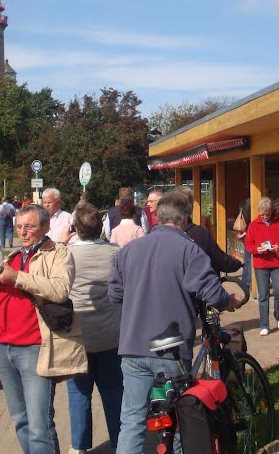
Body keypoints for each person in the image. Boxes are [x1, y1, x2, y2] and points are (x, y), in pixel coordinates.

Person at [108, 191, 245, 454]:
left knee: (131, 421)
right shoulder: (188, 249)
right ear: (184, 220)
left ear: (157, 217)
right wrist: (232, 300)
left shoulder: (130, 250)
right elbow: (211, 293)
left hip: (133, 344)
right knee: (179, 420)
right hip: (169, 347)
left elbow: (115, 294)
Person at [0, 204, 87, 454]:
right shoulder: (12, 256)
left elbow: (59, 290)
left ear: (46, 227)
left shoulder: (58, 253)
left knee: (40, 426)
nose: (23, 232)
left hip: (34, 349)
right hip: (4, 349)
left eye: (30, 226)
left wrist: (15, 277)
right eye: (19, 227)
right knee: (20, 421)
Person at [66, 205, 123, 454]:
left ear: (76, 228)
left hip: (79, 337)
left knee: (79, 392)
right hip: (111, 334)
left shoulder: (66, 254)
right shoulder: (115, 252)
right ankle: (120, 441)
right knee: (113, 392)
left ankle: (79, 445)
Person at [244, 196, 279, 336]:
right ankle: (264, 324)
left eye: (268, 214)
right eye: (262, 214)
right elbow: (248, 244)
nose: (265, 217)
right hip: (261, 263)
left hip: (277, 262)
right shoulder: (253, 225)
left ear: (272, 212)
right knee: (263, 295)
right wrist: (256, 250)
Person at [173, 189, 242, 275]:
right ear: (190, 207)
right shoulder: (199, 233)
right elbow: (220, 260)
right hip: (200, 284)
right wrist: (238, 262)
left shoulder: (161, 234)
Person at [236, 194, 252, 297]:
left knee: (247, 259)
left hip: (245, 234)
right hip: (249, 234)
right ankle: (249, 283)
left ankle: (244, 281)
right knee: (250, 260)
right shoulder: (252, 204)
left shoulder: (244, 202)